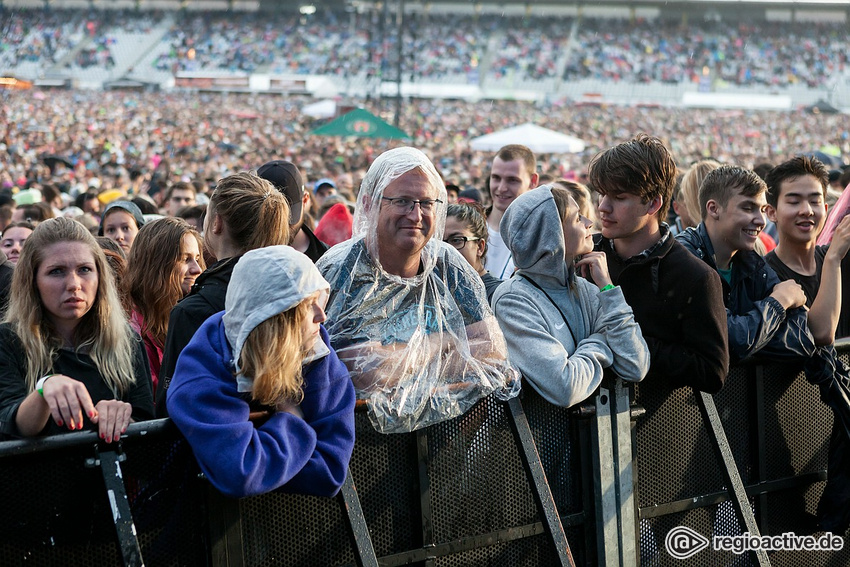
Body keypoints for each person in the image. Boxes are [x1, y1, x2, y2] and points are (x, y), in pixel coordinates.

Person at [316, 147, 519, 434]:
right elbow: (365, 373)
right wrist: (450, 341)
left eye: (426, 202)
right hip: (357, 447)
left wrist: (403, 355)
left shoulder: (448, 264)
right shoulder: (341, 270)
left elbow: (494, 351)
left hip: (444, 442)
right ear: (369, 203)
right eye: (402, 201)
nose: (416, 214)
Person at [167, 246, 355, 498]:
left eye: (319, 301)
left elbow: (330, 471)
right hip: (210, 529)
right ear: (275, 320)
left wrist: (264, 459)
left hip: (305, 527)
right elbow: (242, 471)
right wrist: (292, 420)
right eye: (308, 305)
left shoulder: (315, 347)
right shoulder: (202, 370)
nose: (322, 315)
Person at [590, 135, 729, 393]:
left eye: (619, 197)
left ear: (653, 203)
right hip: (583, 426)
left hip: (656, 426)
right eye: (602, 194)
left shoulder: (695, 276)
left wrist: (628, 342)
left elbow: (712, 371)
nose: (603, 207)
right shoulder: (584, 255)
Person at [492, 186, 649, 407]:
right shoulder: (513, 300)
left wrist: (608, 289)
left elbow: (636, 365)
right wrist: (601, 342)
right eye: (577, 219)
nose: (589, 222)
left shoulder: (588, 289)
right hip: (540, 440)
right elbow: (565, 387)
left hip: (598, 439)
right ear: (551, 235)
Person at [0, 217, 153, 441]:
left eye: (84, 269)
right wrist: (44, 389)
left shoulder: (127, 340)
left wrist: (121, 418)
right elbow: (12, 422)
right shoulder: (8, 340)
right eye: (57, 271)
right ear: (32, 280)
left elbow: (146, 426)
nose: (74, 284)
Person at [763, 156, 850, 534]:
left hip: (837, 442)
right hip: (785, 441)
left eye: (815, 200)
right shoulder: (764, 274)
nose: (807, 210)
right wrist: (831, 260)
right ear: (772, 210)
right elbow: (821, 334)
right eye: (794, 200)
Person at [156, 172, 290, 416]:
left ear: (216, 222)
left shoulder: (193, 311)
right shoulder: (298, 298)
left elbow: (173, 404)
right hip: (293, 440)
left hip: (220, 445)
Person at [677, 165, 815, 364]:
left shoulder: (751, 260)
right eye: (747, 208)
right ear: (714, 209)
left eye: (761, 209)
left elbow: (803, 339)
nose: (761, 220)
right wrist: (779, 302)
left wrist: (751, 337)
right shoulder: (685, 257)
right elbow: (730, 339)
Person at [125, 218, 204, 395]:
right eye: (185, 259)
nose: (197, 269)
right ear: (156, 265)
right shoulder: (132, 333)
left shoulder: (190, 316)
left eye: (197, 258)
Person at [258, 159, 328, 262]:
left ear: (305, 200)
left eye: (287, 218)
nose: (280, 227)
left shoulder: (327, 259)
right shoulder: (239, 256)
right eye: (271, 217)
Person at [486, 145, 539, 279]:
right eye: (496, 178)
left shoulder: (537, 237)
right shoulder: (467, 226)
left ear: (533, 182)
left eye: (512, 180)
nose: (501, 188)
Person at [444, 203, 501, 302]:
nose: (447, 249)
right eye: (440, 243)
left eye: (456, 240)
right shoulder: (438, 292)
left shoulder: (499, 295)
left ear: (480, 247)